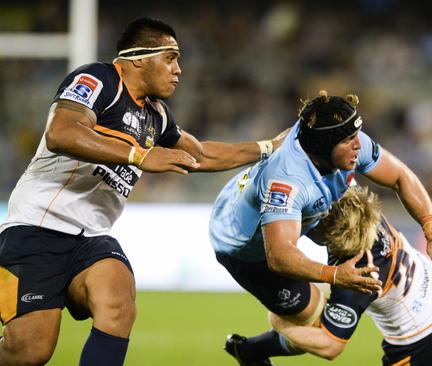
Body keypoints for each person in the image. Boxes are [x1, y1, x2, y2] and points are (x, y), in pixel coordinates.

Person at [0, 17, 285, 366]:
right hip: (36, 229)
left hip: (91, 237)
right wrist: (140, 154)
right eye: (170, 58)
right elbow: (62, 132)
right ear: (138, 58)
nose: (178, 69)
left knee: (118, 302)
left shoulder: (157, 116)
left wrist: (269, 147)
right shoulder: (99, 80)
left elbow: (200, 154)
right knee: (30, 353)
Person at [211, 90, 432, 365]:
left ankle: (250, 351)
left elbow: (400, 176)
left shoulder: (339, 144)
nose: (359, 145)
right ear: (324, 145)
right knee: (317, 329)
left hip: (264, 208)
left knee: (320, 325)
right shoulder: (288, 182)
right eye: (348, 140)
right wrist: (334, 275)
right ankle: (251, 352)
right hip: (244, 247)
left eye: (356, 135)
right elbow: (278, 255)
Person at [265, 187, 432, 366]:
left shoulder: (357, 274)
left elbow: (330, 346)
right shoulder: (363, 211)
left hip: (421, 339)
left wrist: (281, 325)